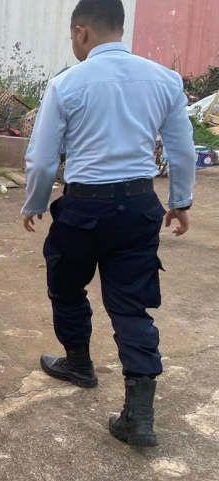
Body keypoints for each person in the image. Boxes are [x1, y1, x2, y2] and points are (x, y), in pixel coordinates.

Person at [22, 0, 195, 447]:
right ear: (120, 27)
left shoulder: (65, 85)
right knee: (131, 305)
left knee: (65, 286)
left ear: (81, 33)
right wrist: (180, 202)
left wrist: (35, 203)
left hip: (83, 208)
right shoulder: (165, 80)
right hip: (139, 205)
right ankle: (139, 415)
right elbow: (181, 151)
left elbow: (42, 161)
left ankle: (79, 364)